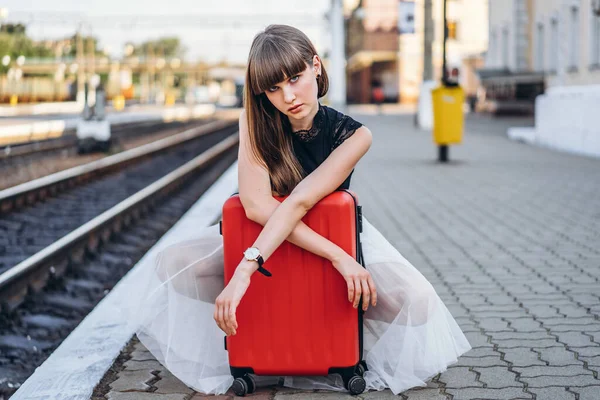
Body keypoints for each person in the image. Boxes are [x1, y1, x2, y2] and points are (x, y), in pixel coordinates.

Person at [125, 24, 471, 396]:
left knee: (416, 303)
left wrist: (335, 257)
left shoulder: (354, 136)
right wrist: (325, 258)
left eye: (295, 77)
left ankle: (331, 335)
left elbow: (300, 201)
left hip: (325, 239)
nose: (288, 96)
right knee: (171, 265)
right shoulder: (255, 123)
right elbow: (257, 206)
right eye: (273, 88)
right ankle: (268, 328)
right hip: (275, 242)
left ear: (316, 67)